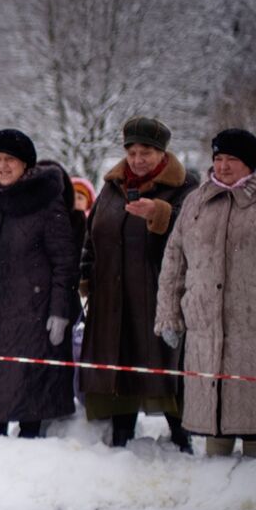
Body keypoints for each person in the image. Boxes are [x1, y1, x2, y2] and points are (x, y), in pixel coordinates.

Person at [155, 129, 256, 458]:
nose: (223, 166)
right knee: (212, 423)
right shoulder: (197, 200)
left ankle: (255, 489)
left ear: (251, 163)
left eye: (232, 159)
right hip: (205, 325)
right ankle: (216, 488)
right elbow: (174, 260)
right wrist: (168, 314)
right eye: (218, 159)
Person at [79, 116, 197, 451]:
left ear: (162, 153)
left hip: (156, 295)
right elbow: (93, 234)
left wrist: (158, 214)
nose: (137, 159)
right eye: (131, 152)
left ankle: (181, 435)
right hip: (111, 295)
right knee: (119, 363)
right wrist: (86, 275)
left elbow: (193, 238)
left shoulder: (184, 186)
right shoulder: (112, 186)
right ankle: (120, 436)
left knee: (164, 367)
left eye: (146, 152)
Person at [0, 129, 77, 437]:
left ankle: (28, 445)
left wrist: (60, 311)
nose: (2, 166)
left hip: (32, 314)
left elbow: (65, 262)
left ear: (26, 165)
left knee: (28, 389)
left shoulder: (47, 205)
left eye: (10, 160)